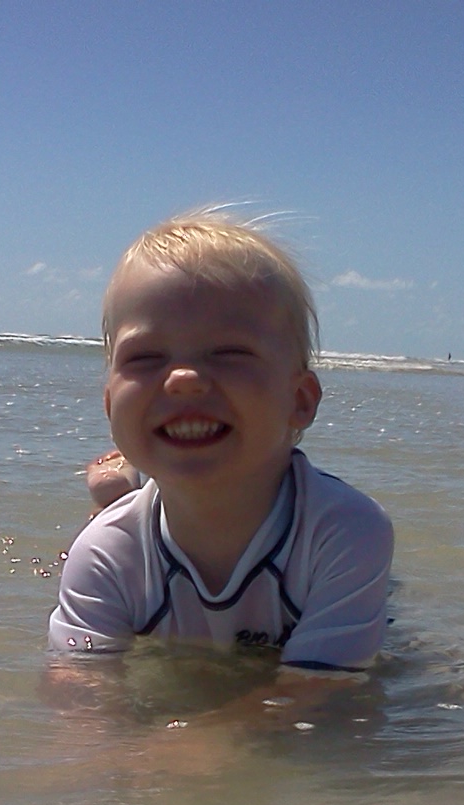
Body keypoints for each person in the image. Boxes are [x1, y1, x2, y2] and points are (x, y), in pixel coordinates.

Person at [49, 211, 394, 676]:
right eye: (146, 356)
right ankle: (116, 494)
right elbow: (78, 689)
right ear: (110, 405)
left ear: (299, 401)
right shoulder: (103, 554)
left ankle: (119, 488)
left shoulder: (345, 532)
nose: (183, 378)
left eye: (229, 353)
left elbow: (317, 698)